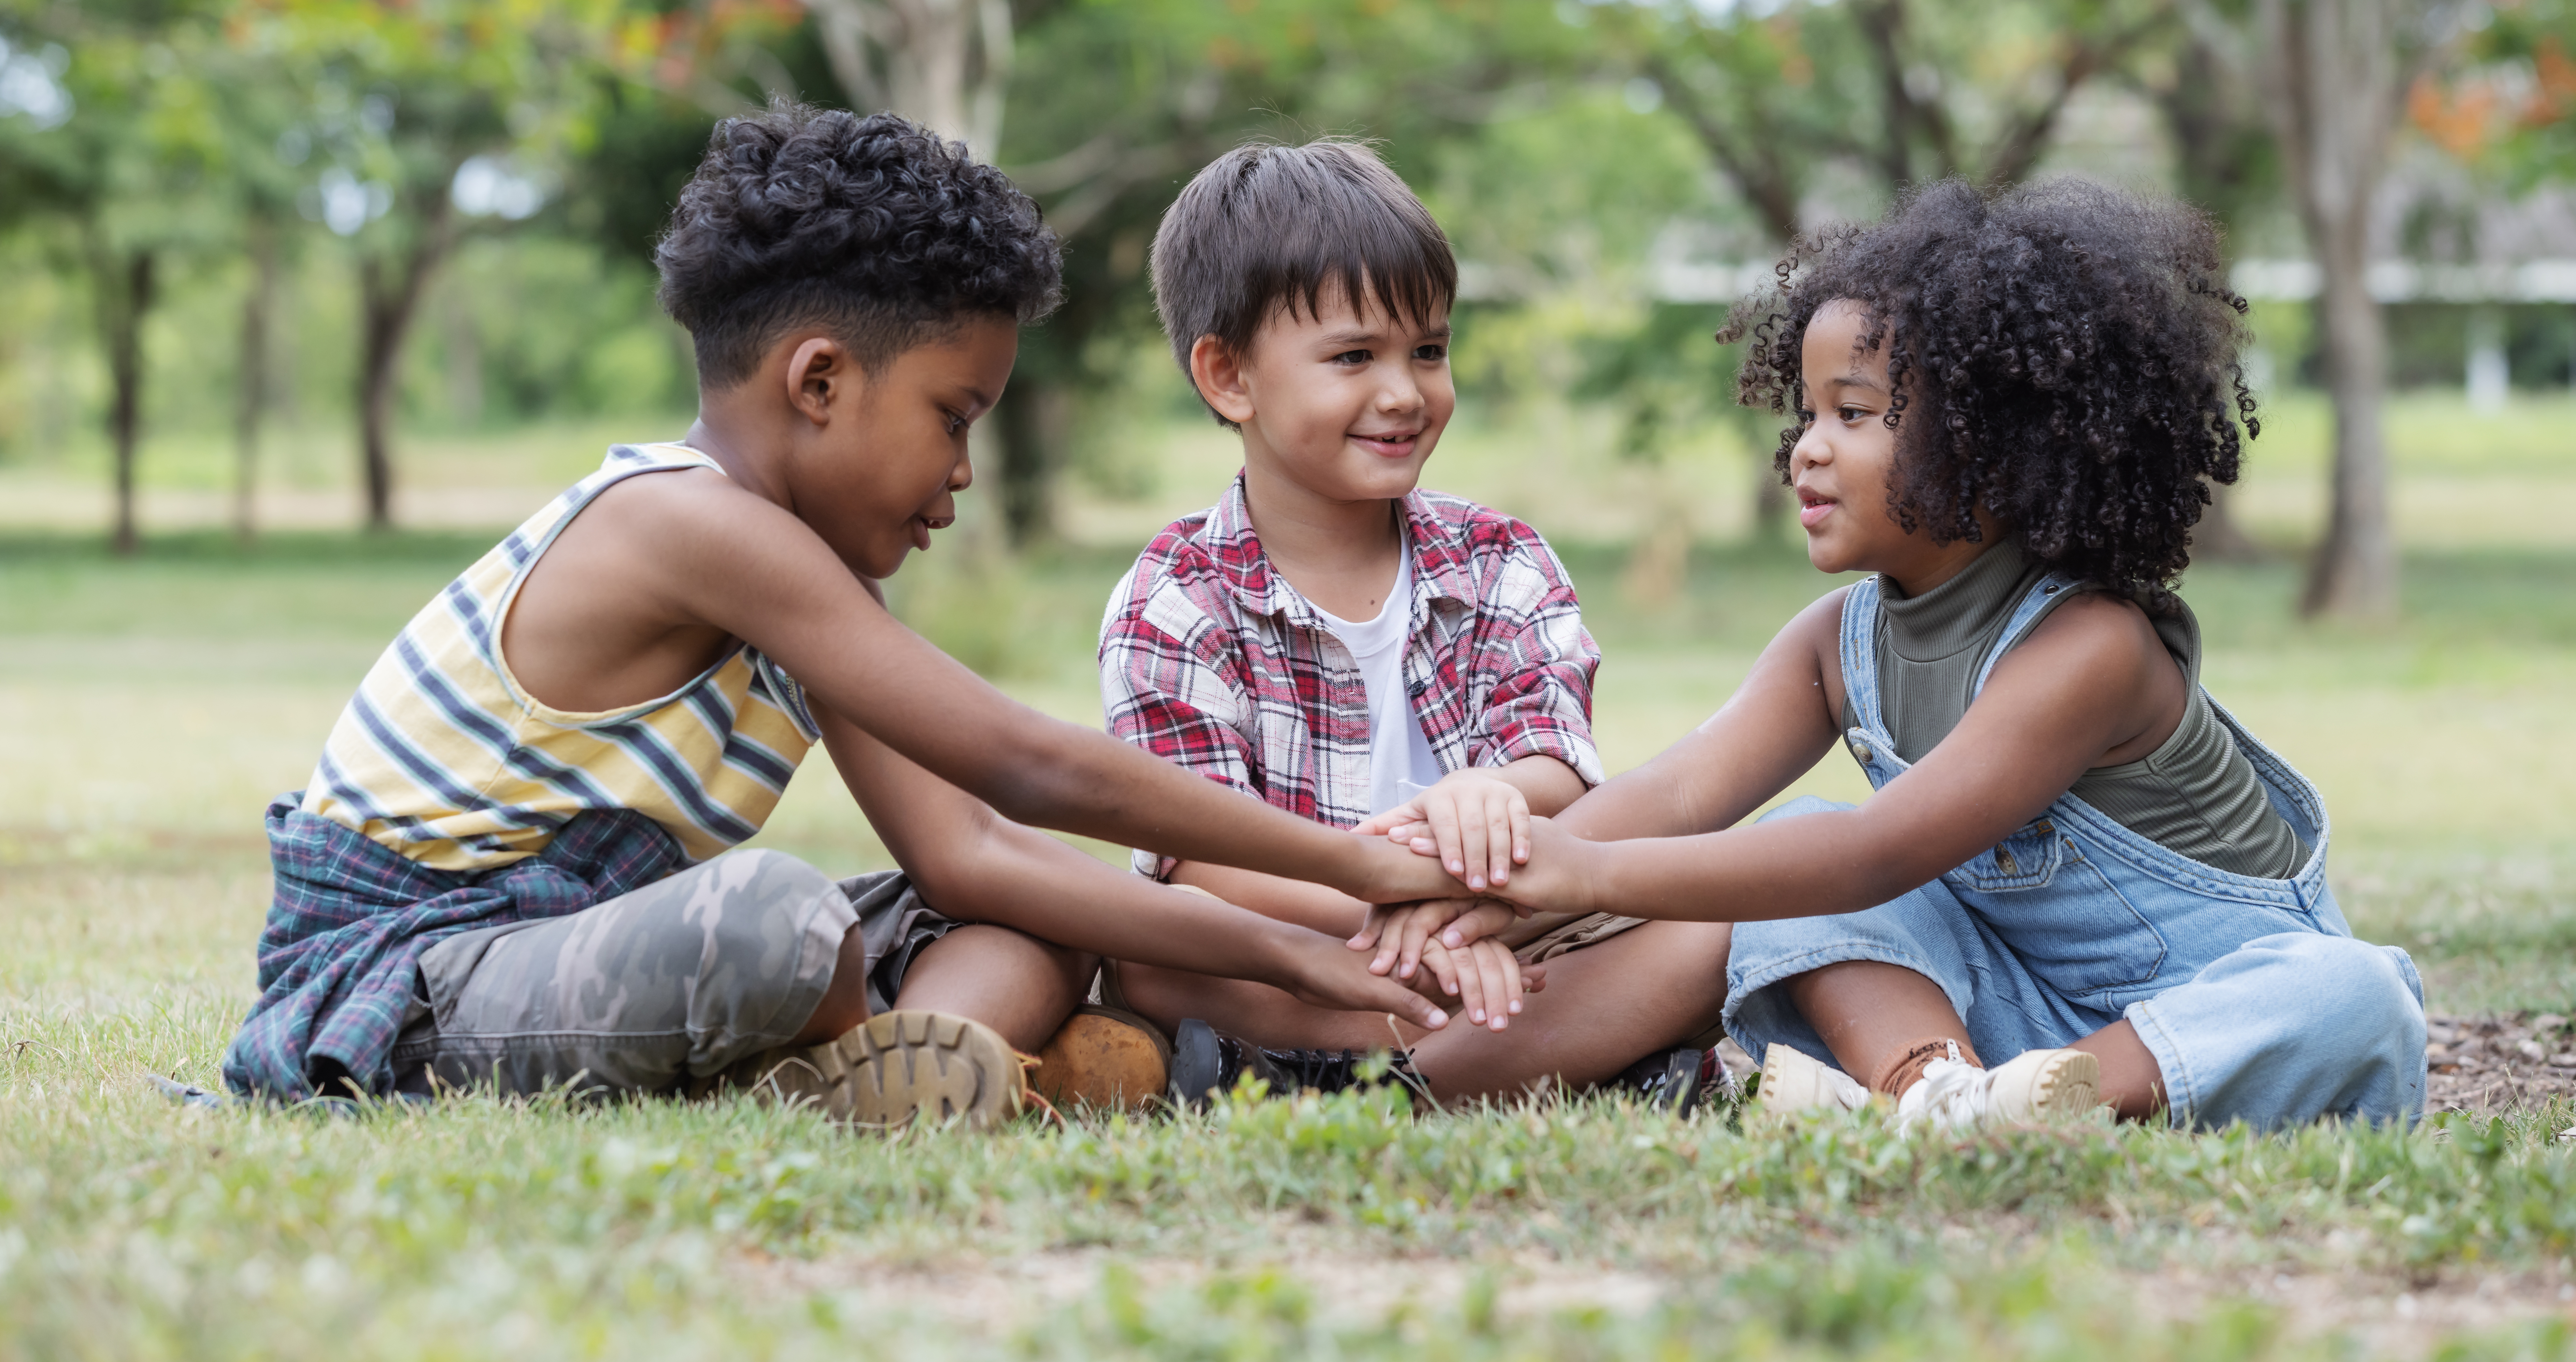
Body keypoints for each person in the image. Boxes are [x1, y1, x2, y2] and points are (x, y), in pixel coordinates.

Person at [222, 104, 1465, 1128]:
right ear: (820, 382)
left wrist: (1278, 947)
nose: (965, 472)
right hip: (417, 976)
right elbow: (1020, 762)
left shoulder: (809, 574)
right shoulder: (687, 524)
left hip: (591, 954)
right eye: (953, 417)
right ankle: (881, 1076)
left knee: (1027, 911)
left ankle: (895, 1083)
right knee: (774, 920)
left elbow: (970, 847)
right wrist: (1350, 870)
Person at [1358, 178, 2428, 1132]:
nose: (1808, 447)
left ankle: (2007, 1104)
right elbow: (1682, 790)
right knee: (1800, 842)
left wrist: (1581, 871)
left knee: (2355, 992)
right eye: (1808, 412)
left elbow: (1884, 854)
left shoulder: (2089, 647)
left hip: (2220, 1017)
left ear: (2002, 445)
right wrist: (1494, 893)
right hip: (2018, 1023)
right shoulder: (1837, 642)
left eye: (1856, 414)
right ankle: (1936, 1095)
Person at [1096, 139, 1734, 1109]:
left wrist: (1488, 797)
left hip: (1504, 928)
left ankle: (1367, 1089)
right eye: (1354, 356)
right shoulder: (1177, 595)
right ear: (1229, 378)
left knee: (1713, 918)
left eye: (1428, 350)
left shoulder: (1500, 558)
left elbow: (1556, 760)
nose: (1405, 392)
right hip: (1298, 951)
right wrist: (1399, 922)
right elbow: (1207, 858)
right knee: (1145, 957)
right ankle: (1565, 1060)